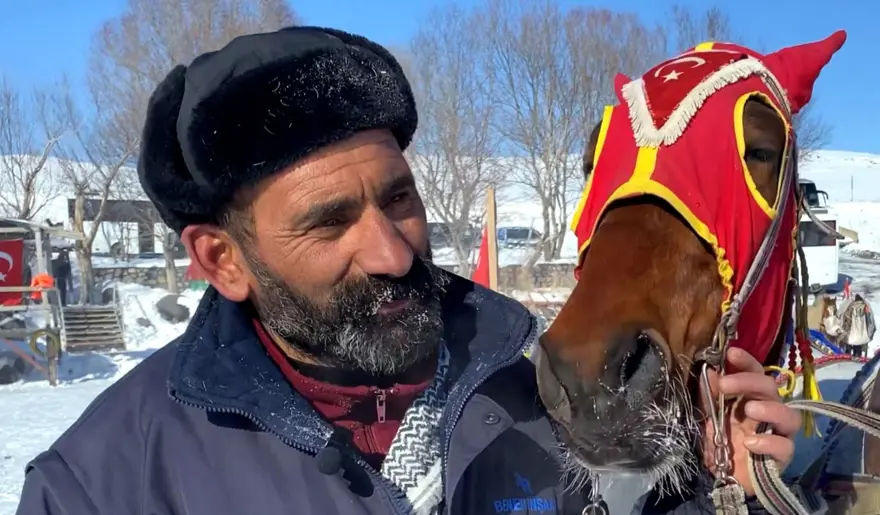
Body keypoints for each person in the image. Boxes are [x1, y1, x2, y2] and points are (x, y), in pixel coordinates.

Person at [16, 26, 800, 515]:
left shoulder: (537, 388)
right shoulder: (102, 484)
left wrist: (716, 489)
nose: (393, 252)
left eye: (400, 198)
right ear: (222, 261)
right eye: (329, 222)